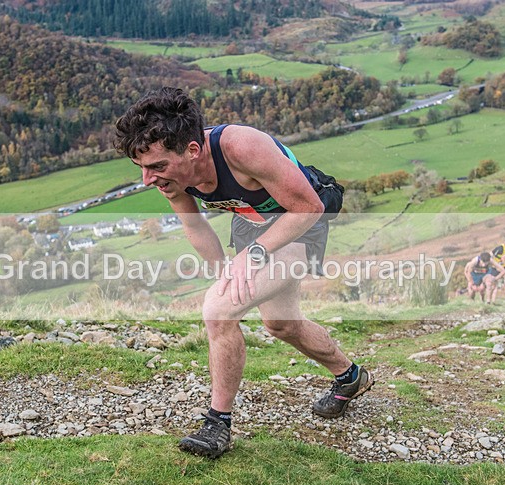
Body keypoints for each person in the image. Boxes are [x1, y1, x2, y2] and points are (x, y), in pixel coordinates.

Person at [114, 87, 373, 459]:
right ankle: (350, 377)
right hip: (251, 222)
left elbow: (308, 207)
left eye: (156, 167)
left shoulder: (241, 147)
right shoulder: (171, 176)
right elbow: (196, 227)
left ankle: (217, 424)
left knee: (219, 310)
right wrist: (224, 272)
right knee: (281, 324)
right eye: (141, 167)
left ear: (191, 150)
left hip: (302, 215)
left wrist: (251, 257)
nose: (147, 179)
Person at [490, 235, 505, 304]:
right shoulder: (500, 248)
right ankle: (492, 301)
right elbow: (491, 255)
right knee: (493, 284)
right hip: (496, 268)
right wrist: (494, 263)